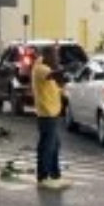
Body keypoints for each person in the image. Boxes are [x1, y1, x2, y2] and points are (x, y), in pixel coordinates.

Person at [32, 44, 71, 189]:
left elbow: (58, 85)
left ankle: (55, 175)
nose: (58, 58)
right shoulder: (41, 68)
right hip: (46, 114)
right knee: (47, 146)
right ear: (47, 56)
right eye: (55, 55)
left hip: (53, 113)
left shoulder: (47, 68)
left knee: (54, 145)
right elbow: (53, 76)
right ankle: (44, 176)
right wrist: (65, 69)